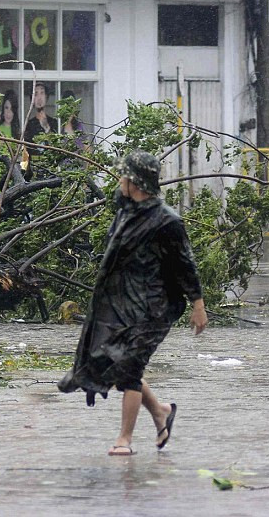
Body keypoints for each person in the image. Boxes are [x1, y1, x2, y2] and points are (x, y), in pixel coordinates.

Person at [57, 151, 208, 456]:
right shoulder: (127, 210)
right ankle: (161, 412)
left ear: (136, 182)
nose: (119, 181)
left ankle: (124, 439)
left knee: (129, 368)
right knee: (116, 361)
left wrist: (198, 304)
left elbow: (184, 264)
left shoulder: (167, 221)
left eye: (124, 176)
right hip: (123, 304)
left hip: (155, 308)